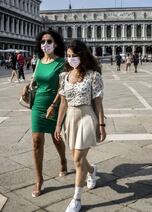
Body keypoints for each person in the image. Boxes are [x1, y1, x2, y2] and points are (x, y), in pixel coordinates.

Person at [54, 40, 106, 212]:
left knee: (76, 160)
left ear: (82, 55)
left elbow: (98, 102)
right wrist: (58, 124)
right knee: (79, 158)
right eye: (68, 56)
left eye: (74, 56)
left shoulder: (93, 75)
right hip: (70, 119)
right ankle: (92, 171)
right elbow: (63, 103)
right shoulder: (64, 76)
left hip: (86, 117)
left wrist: (102, 124)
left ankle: (76, 198)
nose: (70, 59)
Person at [30, 30, 68, 197]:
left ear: (56, 44)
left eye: (49, 41)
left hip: (55, 104)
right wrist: (28, 87)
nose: (45, 44)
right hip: (38, 104)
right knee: (36, 141)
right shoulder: (38, 61)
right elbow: (35, 81)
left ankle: (63, 160)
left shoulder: (61, 62)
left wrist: (53, 104)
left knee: (56, 138)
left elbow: (63, 87)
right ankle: (39, 179)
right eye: (43, 41)